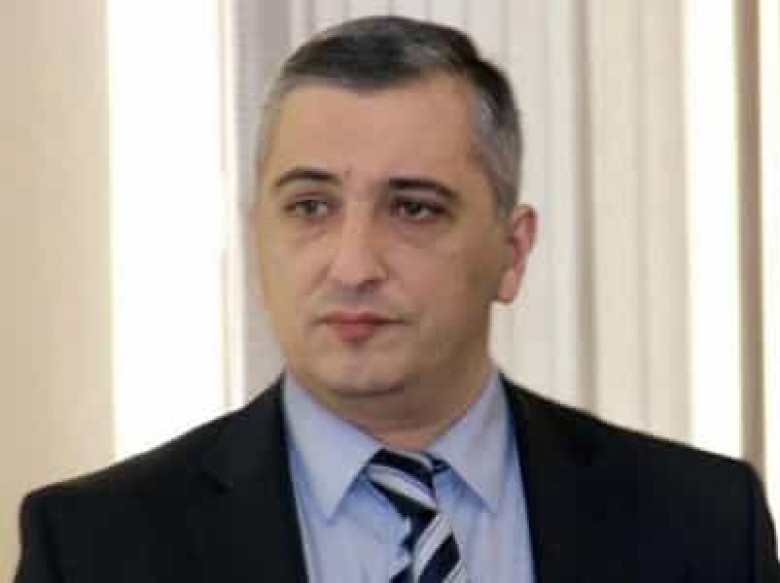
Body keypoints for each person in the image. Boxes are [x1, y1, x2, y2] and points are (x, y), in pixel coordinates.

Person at [14, 15, 779, 583]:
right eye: (310, 206)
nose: (353, 264)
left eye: (413, 208)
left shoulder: (704, 523)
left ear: (512, 252)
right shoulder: (93, 546)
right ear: (257, 240)